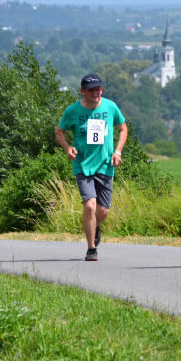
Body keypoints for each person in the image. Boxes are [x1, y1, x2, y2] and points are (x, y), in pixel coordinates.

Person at [55, 73, 128, 261]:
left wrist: (117, 151)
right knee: (89, 206)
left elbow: (123, 128)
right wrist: (68, 148)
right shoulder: (72, 111)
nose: (96, 93)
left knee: (103, 211)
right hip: (83, 164)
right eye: (92, 90)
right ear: (82, 91)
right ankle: (91, 248)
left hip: (105, 164)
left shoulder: (110, 107)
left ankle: (94, 226)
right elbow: (59, 131)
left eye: (99, 89)